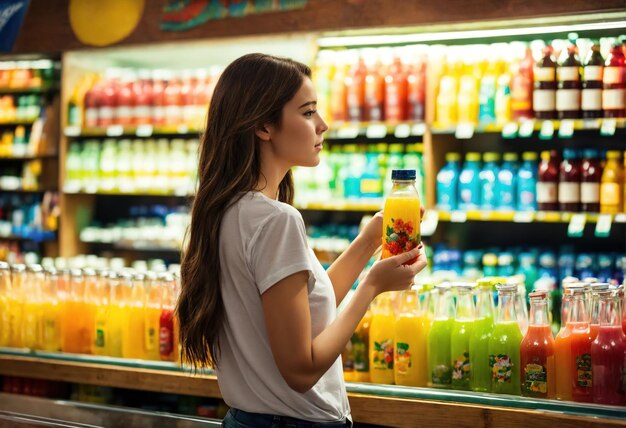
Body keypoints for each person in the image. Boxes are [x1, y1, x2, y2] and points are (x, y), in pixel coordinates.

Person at [177, 53, 427, 428]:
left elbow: (309, 310)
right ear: (264, 125)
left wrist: (366, 243)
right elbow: (301, 370)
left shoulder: (225, 211)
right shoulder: (276, 220)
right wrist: (371, 288)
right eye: (308, 112)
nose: (322, 125)